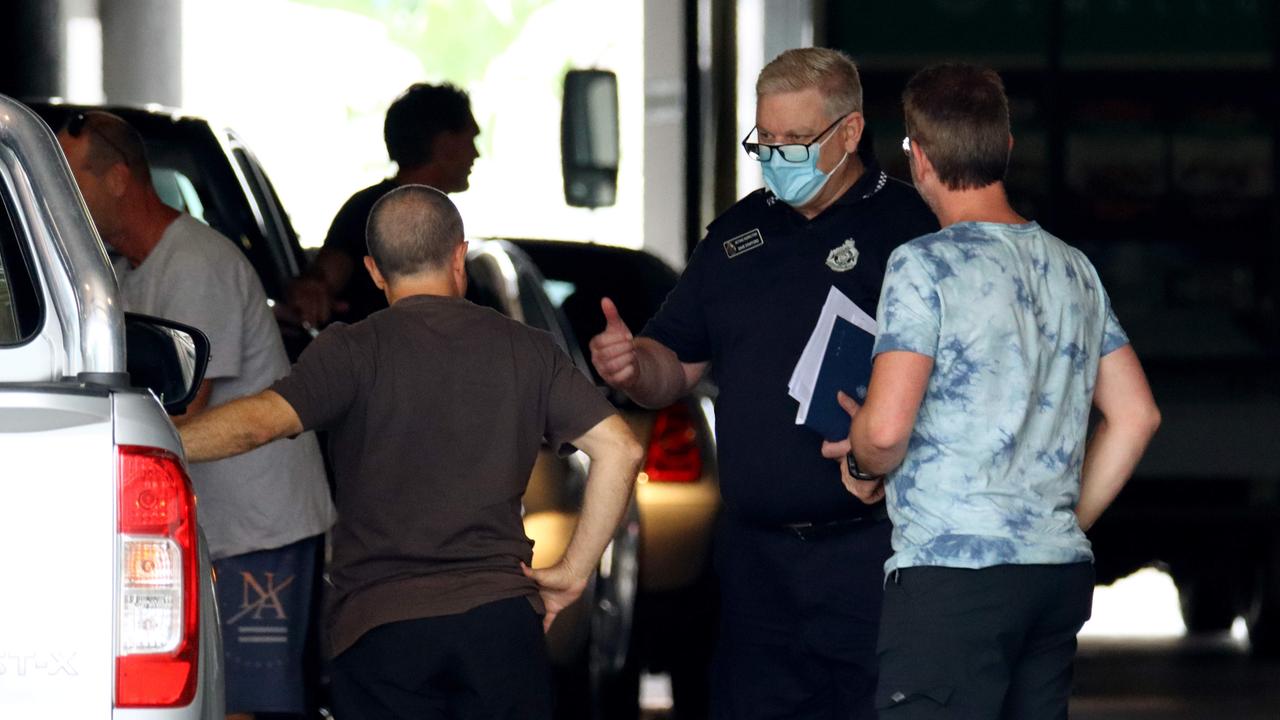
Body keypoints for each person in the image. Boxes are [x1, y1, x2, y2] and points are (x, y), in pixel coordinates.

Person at [178, 185, 644, 719]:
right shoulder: (527, 347)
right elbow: (620, 450)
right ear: (458, 256)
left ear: (375, 271)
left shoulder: (350, 351)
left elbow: (257, 422)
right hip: (499, 626)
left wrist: (152, 437)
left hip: (382, 630)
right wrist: (573, 571)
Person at [589, 48, 939, 718]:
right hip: (757, 565)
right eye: (765, 140)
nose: (777, 156)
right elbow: (675, 364)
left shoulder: (912, 230)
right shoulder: (736, 237)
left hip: (879, 552)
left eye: (794, 140)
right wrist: (635, 364)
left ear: (849, 131)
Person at [827, 63, 1161, 718]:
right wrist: (1059, 523)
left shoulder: (923, 265)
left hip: (953, 581)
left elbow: (887, 430)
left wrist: (860, 460)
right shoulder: (1073, 268)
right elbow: (1137, 415)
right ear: (1006, 148)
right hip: (1053, 579)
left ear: (917, 158)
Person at [57, 110, 337, 720]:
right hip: (208, 529)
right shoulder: (128, 275)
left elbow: (189, 403)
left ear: (118, 179)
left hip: (261, 531)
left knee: (249, 704)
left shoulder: (195, 264)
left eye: (70, 178)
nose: (60, 197)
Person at [288, 82, 479, 327]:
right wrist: (312, 288)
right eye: (471, 139)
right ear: (445, 145)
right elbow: (323, 278)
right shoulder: (369, 212)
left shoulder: (372, 208)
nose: (476, 153)